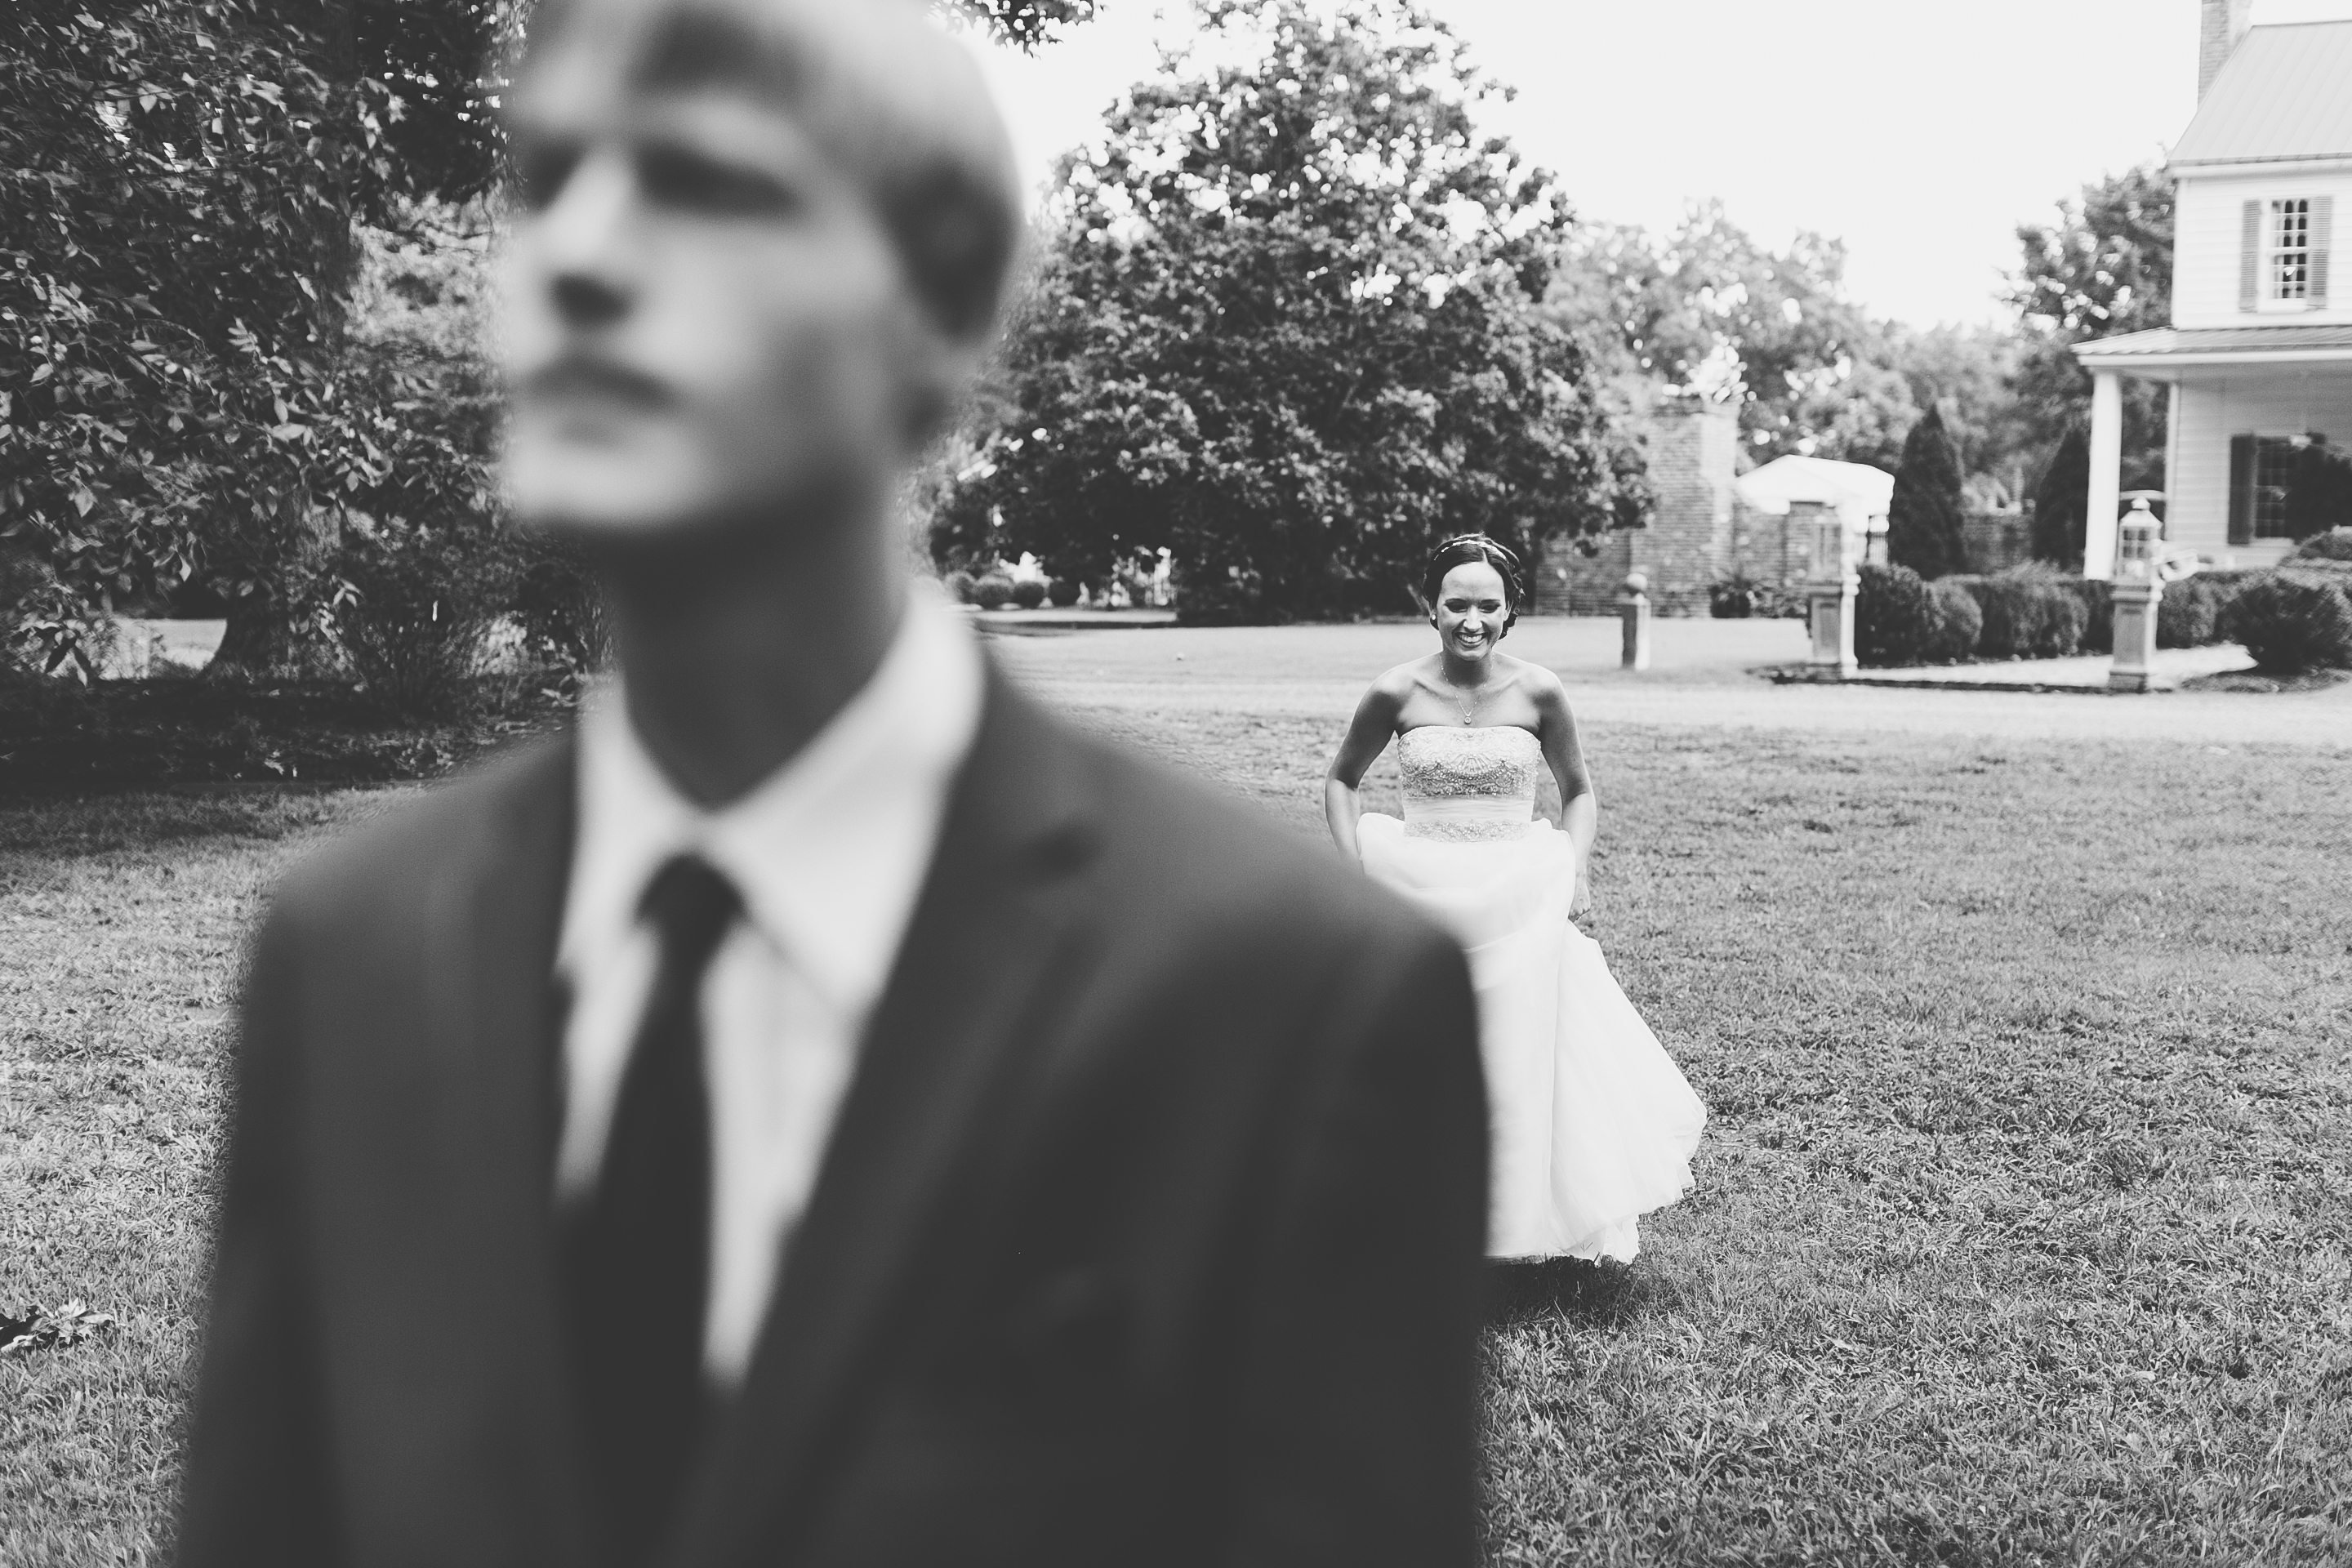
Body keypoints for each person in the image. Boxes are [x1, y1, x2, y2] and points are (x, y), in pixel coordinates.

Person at [176, 3, 1490, 1565]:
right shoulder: (349, 950)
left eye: (700, 182)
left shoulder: (1289, 1002)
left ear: (936, 301)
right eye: (553, 179)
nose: (579, 257)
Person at [1325, 534, 1704, 1263]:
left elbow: (1579, 793)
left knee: (1523, 1060)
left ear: (1510, 612)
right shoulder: (1395, 691)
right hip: (1417, 888)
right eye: (1456, 604)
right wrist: (1353, 872)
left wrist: (1577, 866)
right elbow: (1341, 782)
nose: (1472, 620)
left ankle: (1519, 1228)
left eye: (1487, 606)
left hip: (1519, 891)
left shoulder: (1539, 691)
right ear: (1430, 609)